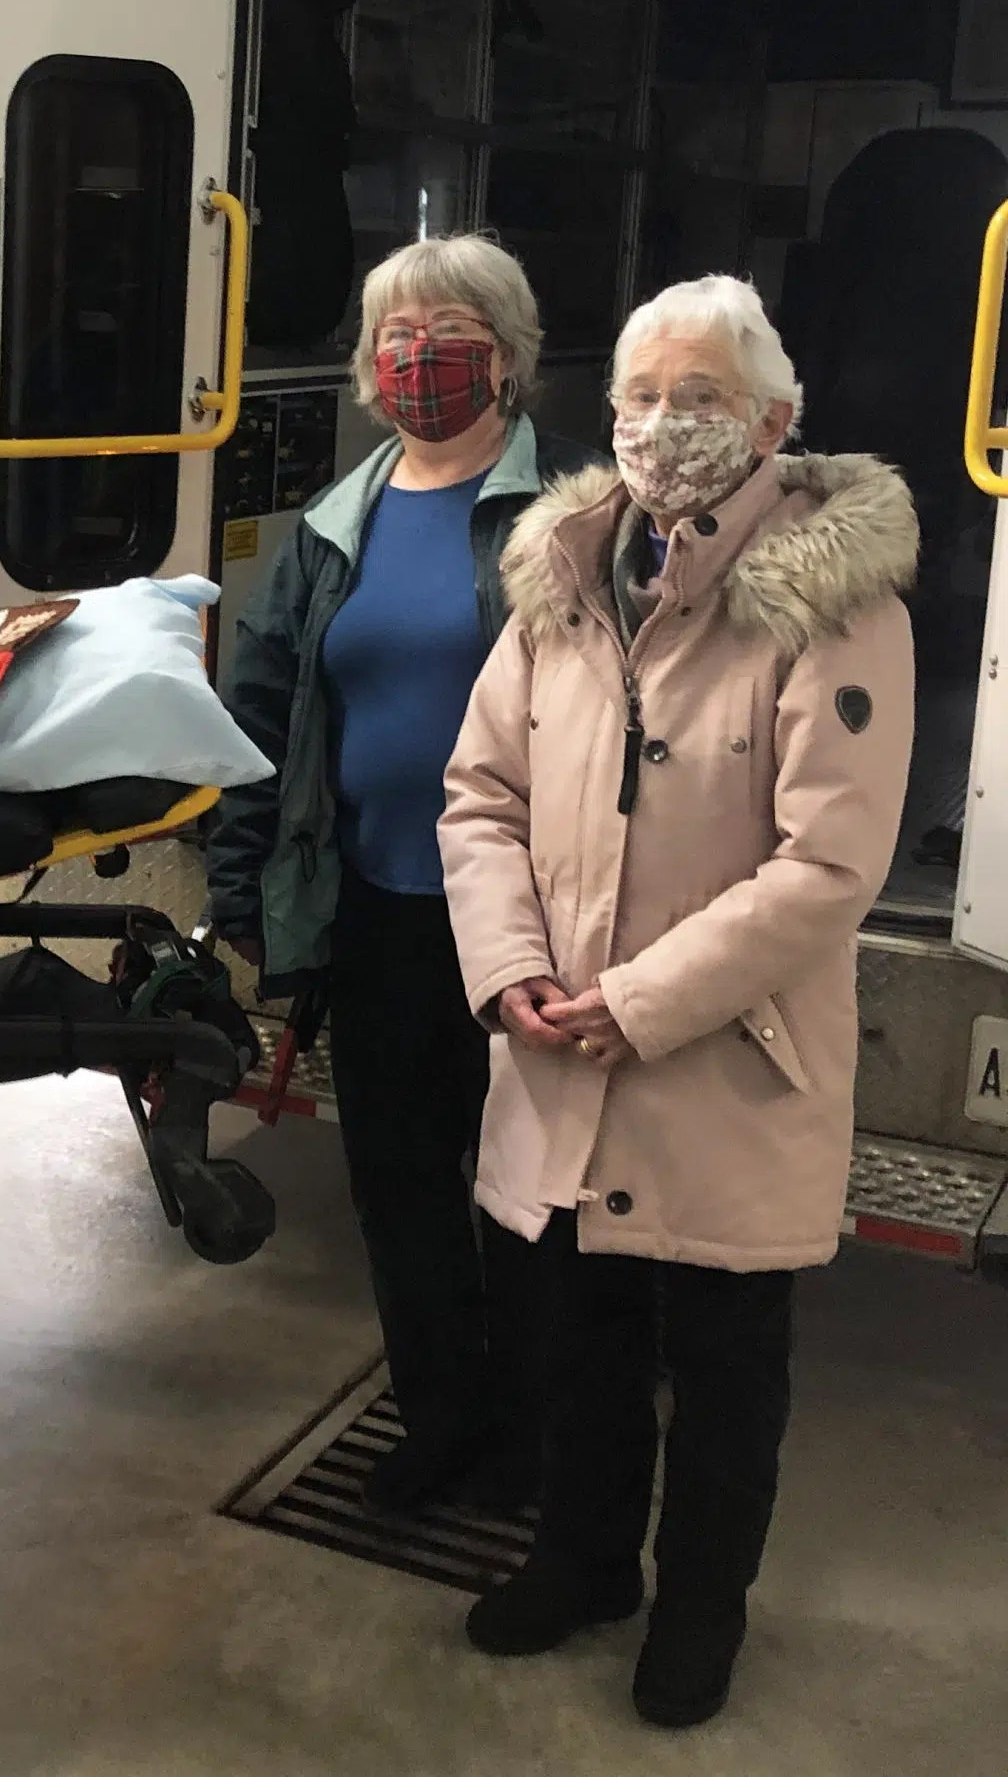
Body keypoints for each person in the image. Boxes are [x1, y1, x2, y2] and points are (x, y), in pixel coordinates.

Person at [441, 275, 915, 1728]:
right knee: (576, 1338)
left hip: (727, 1055)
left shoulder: (835, 605)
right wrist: (511, 966)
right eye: (642, 396)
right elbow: (482, 794)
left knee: (722, 1370)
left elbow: (829, 865)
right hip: (562, 1039)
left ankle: (700, 1611)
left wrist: (634, 1003)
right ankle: (583, 1563)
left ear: (777, 420)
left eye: (703, 398)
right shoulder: (563, 580)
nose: (665, 427)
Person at [208, 235, 601, 1512]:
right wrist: (241, 887)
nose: (417, 353)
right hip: (371, 908)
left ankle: (547, 1443)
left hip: (529, 927)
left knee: (536, 1200)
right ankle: (441, 1420)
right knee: (400, 1187)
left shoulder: (575, 522)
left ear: (509, 354)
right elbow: (258, 711)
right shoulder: (337, 524)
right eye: (396, 331)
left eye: (449, 328)